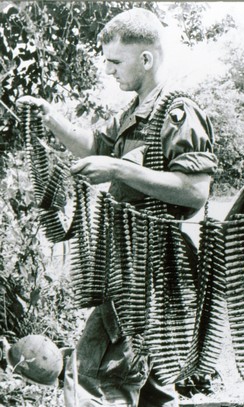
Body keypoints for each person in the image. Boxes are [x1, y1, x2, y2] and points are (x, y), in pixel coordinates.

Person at [18, 8, 217, 407]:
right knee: (151, 384)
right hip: (126, 264)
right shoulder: (133, 113)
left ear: (146, 59)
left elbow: (196, 190)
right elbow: (95, 144)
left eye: (115, 61)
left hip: (155, 271)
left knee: (99, 376)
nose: (109, 71)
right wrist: (52, 120)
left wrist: (118, 169)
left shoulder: (179, 112)